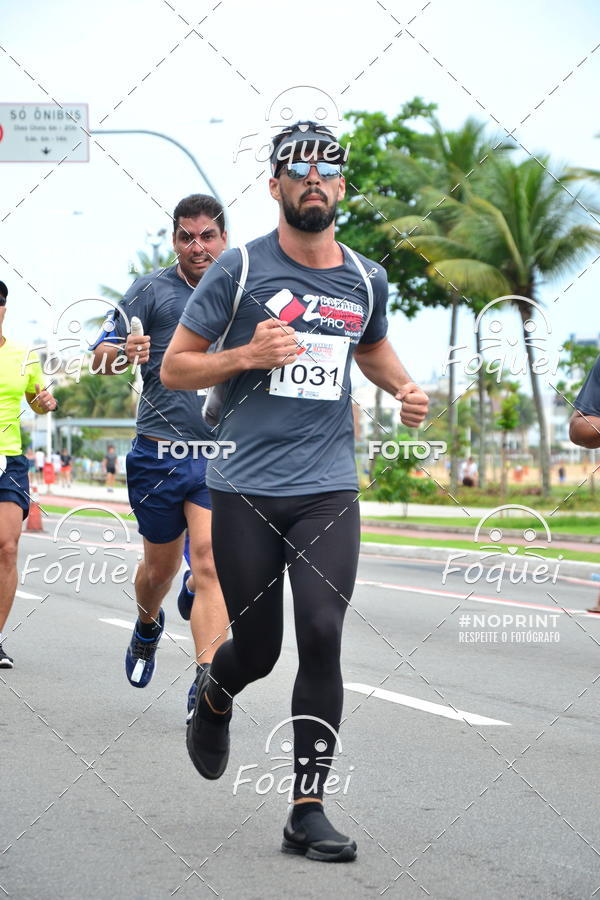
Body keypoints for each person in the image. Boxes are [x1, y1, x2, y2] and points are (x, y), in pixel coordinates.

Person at [161, 122, 429, 861]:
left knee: (321, 632)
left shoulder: (366, 279)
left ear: (341, 188)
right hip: (245, 487)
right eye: (297, 169)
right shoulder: (241, 269)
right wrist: (245, 353)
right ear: (275, 185)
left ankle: (306, 808)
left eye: (327, 170)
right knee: (260, 649)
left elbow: (369, 345)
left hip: (326, 489)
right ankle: (215, 692)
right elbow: (176, 368)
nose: (314, 179)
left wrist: (402, 384)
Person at [91, 194, 230, 718]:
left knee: (211, 560)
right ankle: (148, 625)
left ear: (224, 238)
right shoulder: (150, 290)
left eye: (207, 236)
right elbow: (99, 357)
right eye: (186, 237)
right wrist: (120, 353)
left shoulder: (244, 292)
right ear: (174, 240)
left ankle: (207, 684)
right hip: (157, 454)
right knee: (158, 570)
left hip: (219, 454)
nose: (197, 247)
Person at [0, 280, 57, 667]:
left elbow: (36, 402)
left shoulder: (23, 356)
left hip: (9, 459)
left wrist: (44, 401)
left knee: (6, 547)